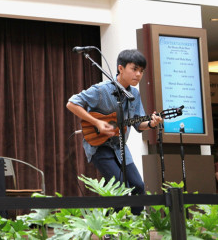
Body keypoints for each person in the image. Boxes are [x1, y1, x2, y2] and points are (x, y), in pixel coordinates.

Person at [67, 49, 163, 215]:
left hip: (120, 147)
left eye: (141, 71)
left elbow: (139, 124)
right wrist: (96, 122)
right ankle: (110, 228)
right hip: (99, 146)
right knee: (118, 185)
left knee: (138, 186)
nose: (138, 74)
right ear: (121, 68)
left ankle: (135, 226)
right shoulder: (101, 90)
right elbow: (72, 103)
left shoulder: (134, 94)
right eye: (134, 69)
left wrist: (152, 124)